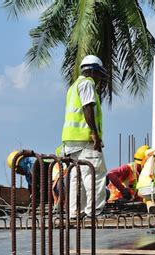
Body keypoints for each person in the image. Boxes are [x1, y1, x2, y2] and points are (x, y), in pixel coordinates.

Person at [61, 55, 108, 219]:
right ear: (93, 71)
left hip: (70, 141)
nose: (100, 79)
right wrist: (94, 133)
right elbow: (87, 108)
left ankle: (74, 212)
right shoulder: (87, 83)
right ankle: (94, 211)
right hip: (85, 139)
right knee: (94, 173)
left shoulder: (74, 86)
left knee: (76, 177)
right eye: (99, 75)